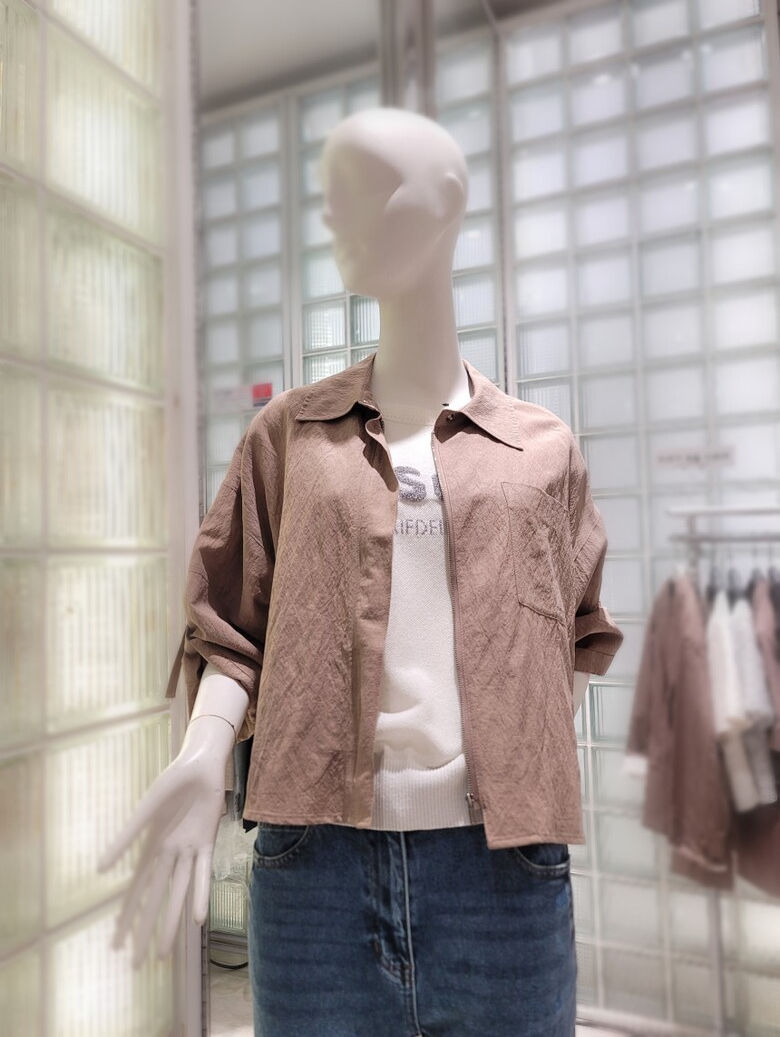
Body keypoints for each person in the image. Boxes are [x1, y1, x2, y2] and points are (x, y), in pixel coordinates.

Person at [98, 106, 623, 1037]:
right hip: (315, 872)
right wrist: (205, 748)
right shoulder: (290, 435)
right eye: (330, 197)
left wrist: (509, 761)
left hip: (501, 878)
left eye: (367, 189)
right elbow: (232, 625)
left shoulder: (541, 448)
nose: (336, 216)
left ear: (448, 200)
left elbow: (578, 633)